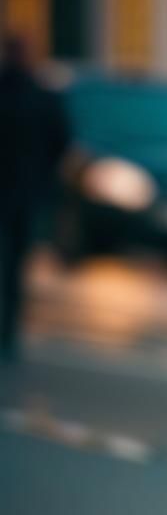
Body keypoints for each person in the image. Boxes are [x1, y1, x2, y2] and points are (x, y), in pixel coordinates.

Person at [0, 35, 70, 360]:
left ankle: (9, 327)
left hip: (22, 192)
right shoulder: (41, 96)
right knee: (15, 263)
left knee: (15, 262)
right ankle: (9, 327)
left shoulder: (40, 96)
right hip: (25, 192)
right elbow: (61, 142)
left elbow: (60, 141)